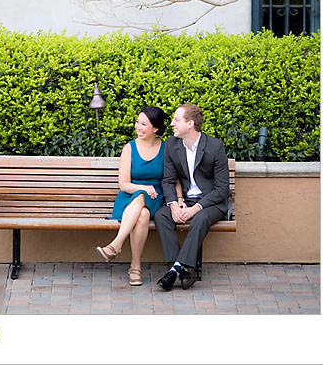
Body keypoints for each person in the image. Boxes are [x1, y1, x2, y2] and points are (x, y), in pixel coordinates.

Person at [154, 103, 230, 291]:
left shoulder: (214, 147)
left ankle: (175, 270)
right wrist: (173, 205)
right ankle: (181, 269)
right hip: (185, 200)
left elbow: (222, 189)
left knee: (200, 218)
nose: (172, 123)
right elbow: (168, 180)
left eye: (176, 120)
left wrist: (195, 209)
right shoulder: (172, 144)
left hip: (211, 203)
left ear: (190, 123)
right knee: (161, 215)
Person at [95, 106, 167, 286]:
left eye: (144, 124)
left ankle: (116, 245)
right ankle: (135, 267)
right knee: (142, 213)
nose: (138, 127)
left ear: (155, 129)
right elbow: (124, 184)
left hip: (155, 197)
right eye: (137, 122)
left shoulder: (166, 148)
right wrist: (143, 187)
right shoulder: (130, 147)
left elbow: (173, 179)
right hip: (128, 198)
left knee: (144, 203)